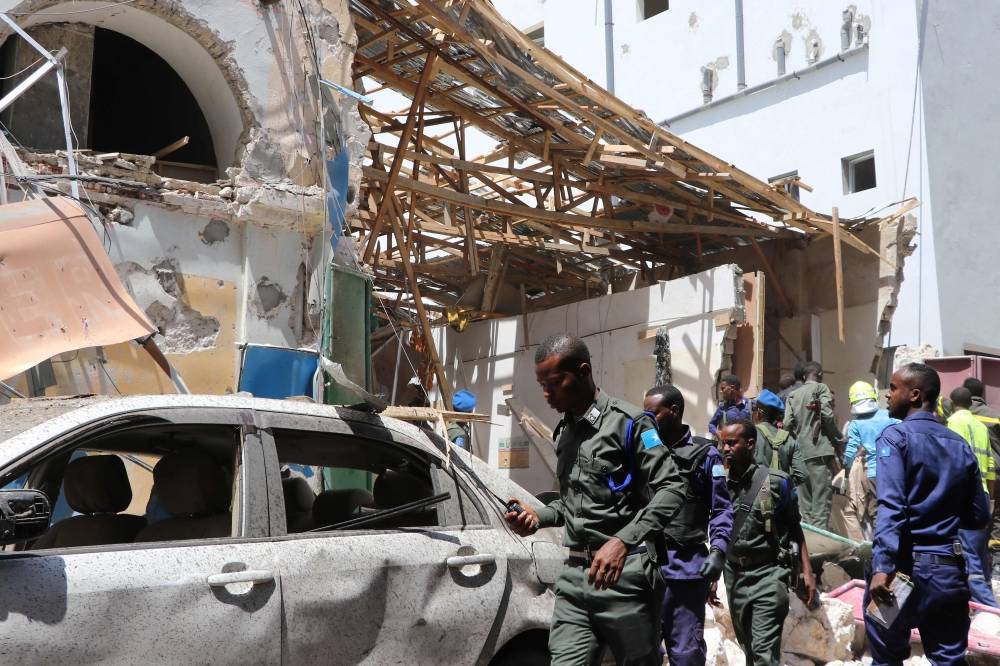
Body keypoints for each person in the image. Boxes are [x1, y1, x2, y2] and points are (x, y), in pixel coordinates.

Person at [505, 333, 686, 665]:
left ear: (584, 371)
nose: (546, 393)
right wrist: (539, 516)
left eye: (555, 383)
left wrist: (622, 541)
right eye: (541, 384)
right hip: (575, 578)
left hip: (625, 577)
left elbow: (672, 487)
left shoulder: (632, 424)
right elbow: (575, 502)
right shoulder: (565, 433)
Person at [866, 363, 991, 664]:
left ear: (915, 394)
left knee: (886, 656)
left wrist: (883, 567)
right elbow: (978, 516)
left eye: (894, 388)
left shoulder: (895, 439)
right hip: (948, 576)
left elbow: (892, 508)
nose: (887, 394)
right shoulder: (960, 446)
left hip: (898, 576)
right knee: (948, 658)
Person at [644, 384, 733, 666]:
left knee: (685, 652)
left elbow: (721, 510)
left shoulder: (705, 455)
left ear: (674, 412)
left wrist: (718, 551)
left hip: (684, 569)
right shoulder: (643, 450)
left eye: (653, 413)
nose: (646, 420)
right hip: (643, 568)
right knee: (640, 652)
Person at [720, 420, 816, 666]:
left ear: (750, 444)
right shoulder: (720, 484)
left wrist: (807, 572)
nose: (726, 449)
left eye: (732, 443)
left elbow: (795, 528)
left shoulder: (776, 482)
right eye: (723, 443)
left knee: (763, 652)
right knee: (749, 649)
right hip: (734, 575)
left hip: (768, 574)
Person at [947, 386, 998, 607]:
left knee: (969, 557)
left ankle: (991, 608)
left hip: (964, 497)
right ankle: (985, 603)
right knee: (980, 552)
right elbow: (989, 466)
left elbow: (954, 463)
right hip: (984, 495)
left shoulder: (954, 423)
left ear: (952, 402)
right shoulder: (980, 426)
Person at [783, 361, 840, 529]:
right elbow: (827, 416)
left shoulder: (793, 396)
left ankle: (809, 548)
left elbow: (786, 424)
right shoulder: (821, 389)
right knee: (821, 504)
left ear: (802, 376)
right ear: (820, 374)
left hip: (800, 454)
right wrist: (837, 436)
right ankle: (820, 548)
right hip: (819, 452)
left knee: (805, 506)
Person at [841, 381, 899, 543]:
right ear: (873, 396)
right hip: (894, 471)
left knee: (876, 512)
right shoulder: (889, 416)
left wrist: (845, 471)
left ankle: (881, 547)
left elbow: (850, 452)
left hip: (874, 474)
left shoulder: (855, 424)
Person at [963, 377, 1000, 552]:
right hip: (995, 473)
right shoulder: (995, 416)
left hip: (967, 474)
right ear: (982, 393)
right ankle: (995, 561)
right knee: (997, 517)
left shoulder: (958, 416)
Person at [751, 389, 806, 487]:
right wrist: (782, 485)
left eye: (753, 409)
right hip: (780, 498)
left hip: (754, 493)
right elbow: (802, 475)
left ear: (759, 413)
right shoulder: (789, 439)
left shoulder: (750, 434)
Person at [708, 374, 753, 438]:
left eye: (723, 388)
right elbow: (711, 425)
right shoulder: (722, 407)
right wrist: (718, 433)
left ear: (732, 388)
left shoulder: (750, 404)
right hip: (728, 446)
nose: (721, 391)